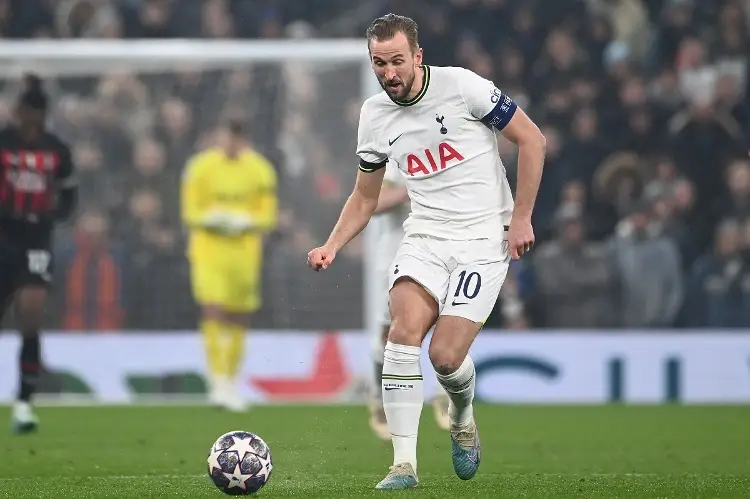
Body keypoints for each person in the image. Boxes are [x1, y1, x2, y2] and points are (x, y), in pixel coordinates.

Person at [307, 14, 545, 489]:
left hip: (482, 239)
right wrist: (333, 243)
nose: (389, 72)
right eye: (379, 63)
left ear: (417, 56)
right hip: (425, 237)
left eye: (397, 60)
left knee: (445, 356)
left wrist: (520, 217)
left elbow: (532, 139)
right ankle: (403, 466)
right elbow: (366, 196)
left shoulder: (463, 87)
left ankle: (462, 415)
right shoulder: (374, 114)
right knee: (402, 333)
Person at [181, 120, 278, 412]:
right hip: (209, 250)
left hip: (245, 252)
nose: (231, 144)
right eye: (226, 137)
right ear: (218, 137)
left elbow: (268, 214)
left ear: (244, 139)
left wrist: (246, 221)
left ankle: (232, 381)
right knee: (213, 308)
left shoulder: (260, 170)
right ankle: (217, 380)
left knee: (239, 316)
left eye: (236, 139)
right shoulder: (200, 167)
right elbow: (190, 211)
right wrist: (213, 218)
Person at [0, 74, 78, 434]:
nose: (29, 119)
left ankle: (25, 402)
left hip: (36, 240)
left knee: (31, 312)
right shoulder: (3, 143)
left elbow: (69, 195)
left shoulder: (57, 150)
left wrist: (53, 216)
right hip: (2, 236)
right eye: (24, 112)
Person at [369, 160, 450, 441]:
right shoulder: (395, 155)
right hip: (396, 249)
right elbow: (374, 203)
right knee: (390, 330)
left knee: (447, 318)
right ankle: (381, 399)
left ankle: (444, 393)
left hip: (438, 247)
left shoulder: (449, 148)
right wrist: (410, 191)